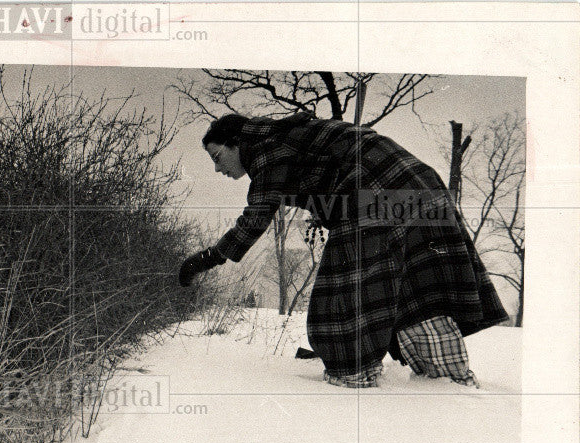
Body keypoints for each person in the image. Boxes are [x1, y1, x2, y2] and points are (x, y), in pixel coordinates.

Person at [179, 111, 510, 387]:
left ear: (237, 142)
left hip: (376, 192)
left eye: (218, 157)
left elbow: (256, 217)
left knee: (339, 298)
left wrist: (209, 257)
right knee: (416, 286)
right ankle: (447, 378)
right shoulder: (289, 134)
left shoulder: (264, 148)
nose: (218, 169)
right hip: (419, 182)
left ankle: (352, 373)